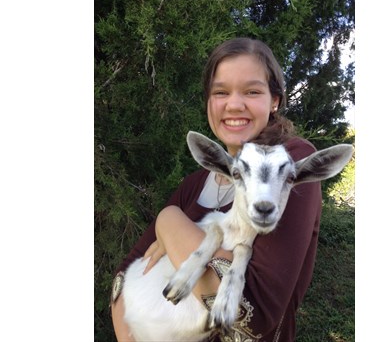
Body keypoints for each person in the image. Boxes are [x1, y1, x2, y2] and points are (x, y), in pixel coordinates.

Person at [110, 37, 322, 342]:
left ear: (274, 100)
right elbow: (127, 269)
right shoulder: (195, 183)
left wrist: (169, 224)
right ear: (209, 103)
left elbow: (252, 317)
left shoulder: (290, 161)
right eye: (220, 92)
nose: (234, 104)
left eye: (251, 91)